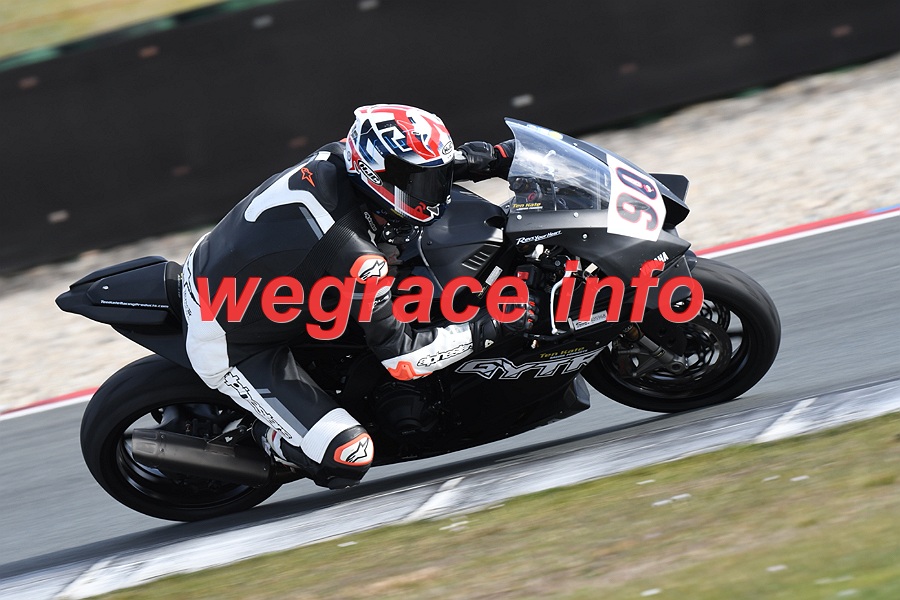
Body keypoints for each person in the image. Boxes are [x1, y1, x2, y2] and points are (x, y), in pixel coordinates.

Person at [181, 104, 535, 489]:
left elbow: (423, 168)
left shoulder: (345, 156)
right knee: (347, 456)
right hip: (230, 338)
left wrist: (498, 157)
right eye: (424, 182)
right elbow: (404, 358)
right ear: (378, 176)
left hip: (240, 271)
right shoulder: (355, 254)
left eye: (436, 177)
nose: (435, 189)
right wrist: (491, 326)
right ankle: (266, 440)